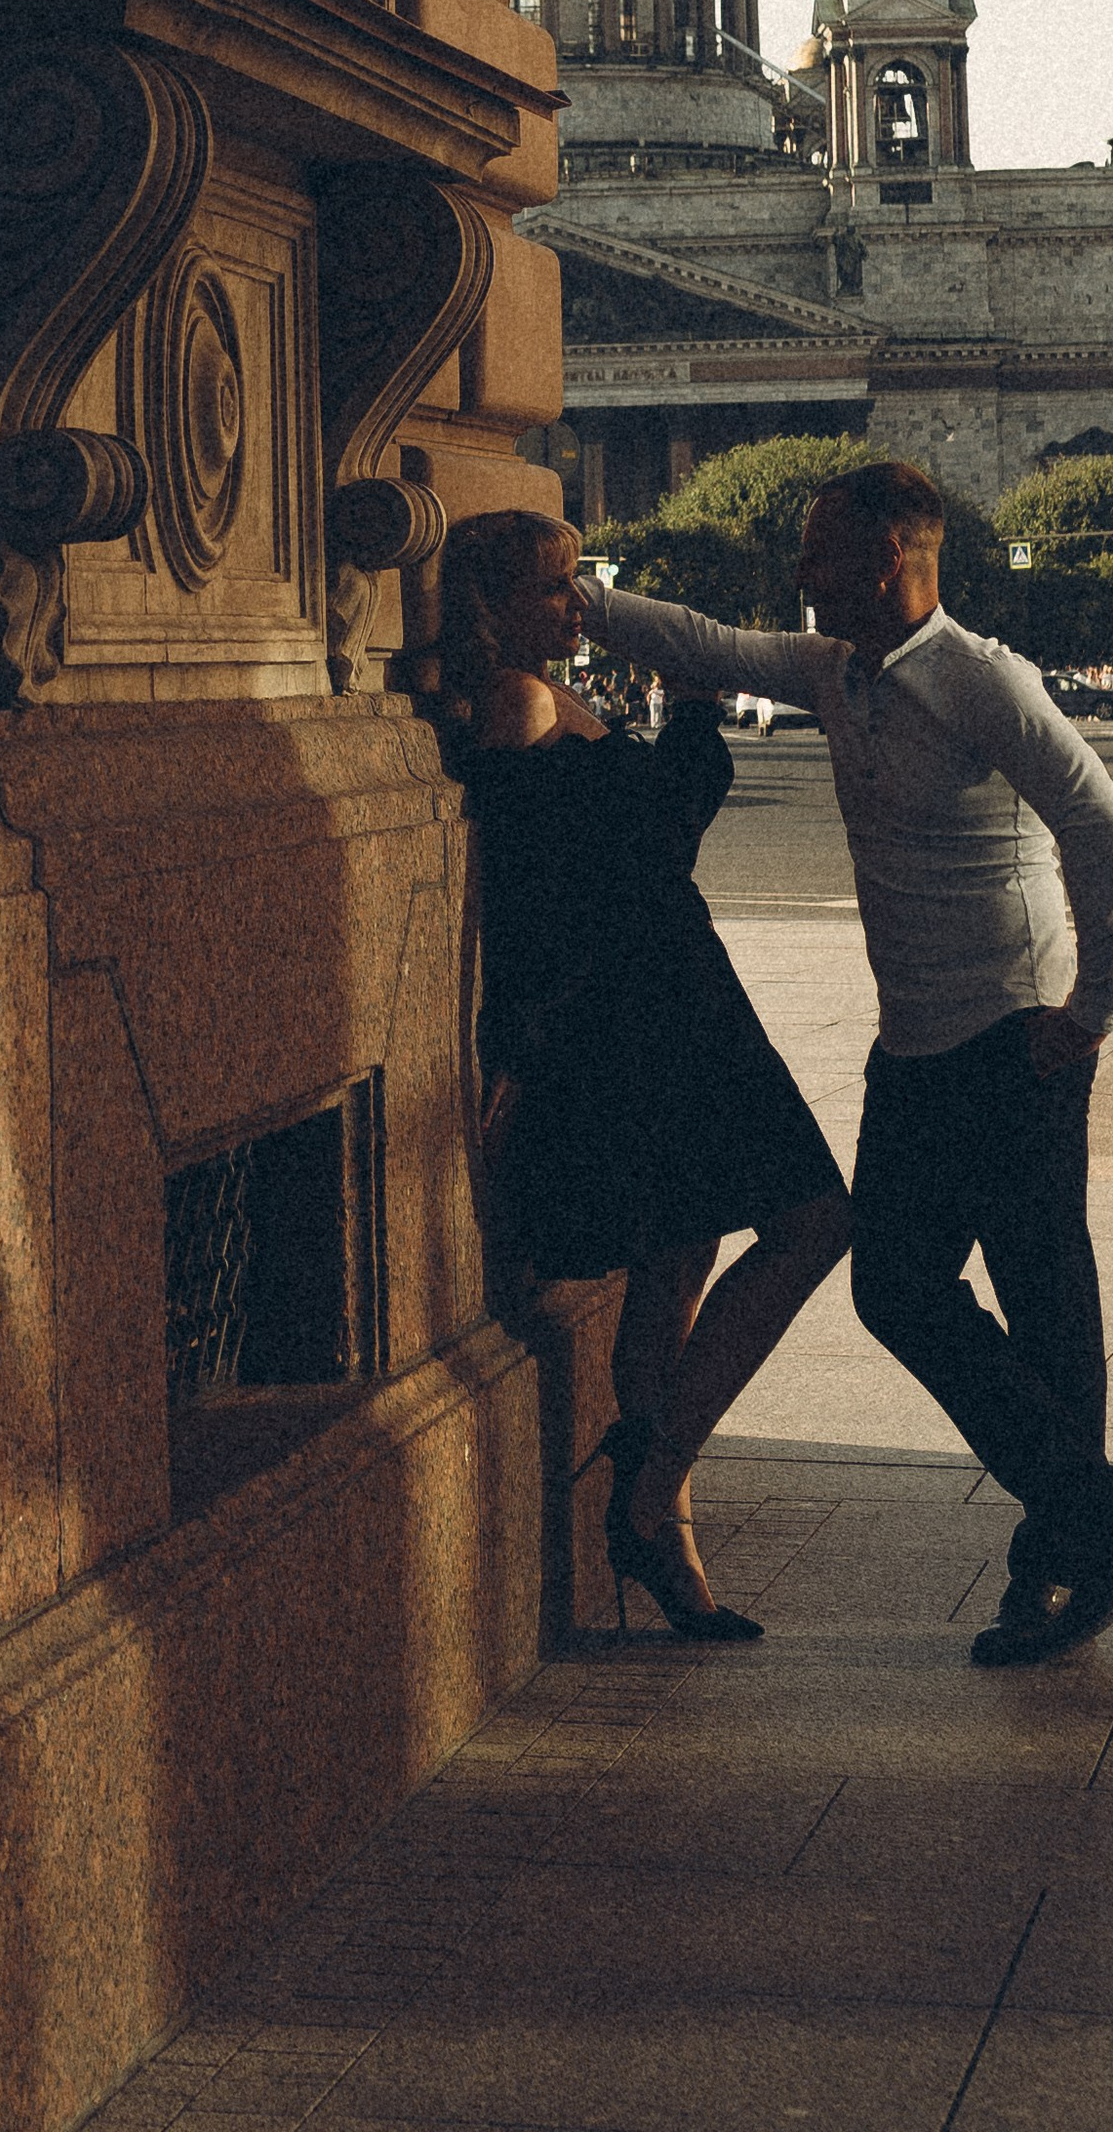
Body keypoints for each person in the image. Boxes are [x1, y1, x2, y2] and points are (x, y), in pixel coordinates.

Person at [577, 460, 1113, 1670]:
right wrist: (576, 594)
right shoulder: (831, 670)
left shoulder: (980, 678)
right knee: (895, 1288)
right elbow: (703, 643)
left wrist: (1094, 1005)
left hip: (1014, 1035)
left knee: (1043, 1301)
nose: (799, 570)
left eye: (817, 549)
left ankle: (1056, 1557)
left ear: (888, 557)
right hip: (910, 1045)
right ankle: (1095, 1516)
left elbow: (1100, 823)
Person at [432, 509, 851, 1642]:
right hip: (641, 1009)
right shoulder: (519, 703)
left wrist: (691, 712)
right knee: (812, 1220)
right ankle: (655, 1487)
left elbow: (640, 837)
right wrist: (523, 1046)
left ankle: (661, 1520)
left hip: (668, 992)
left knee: (680, 1255)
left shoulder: (552, 697)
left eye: (577, 581)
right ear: (490, 605)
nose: (576, 603)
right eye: (551, 586)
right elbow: (549, 889)